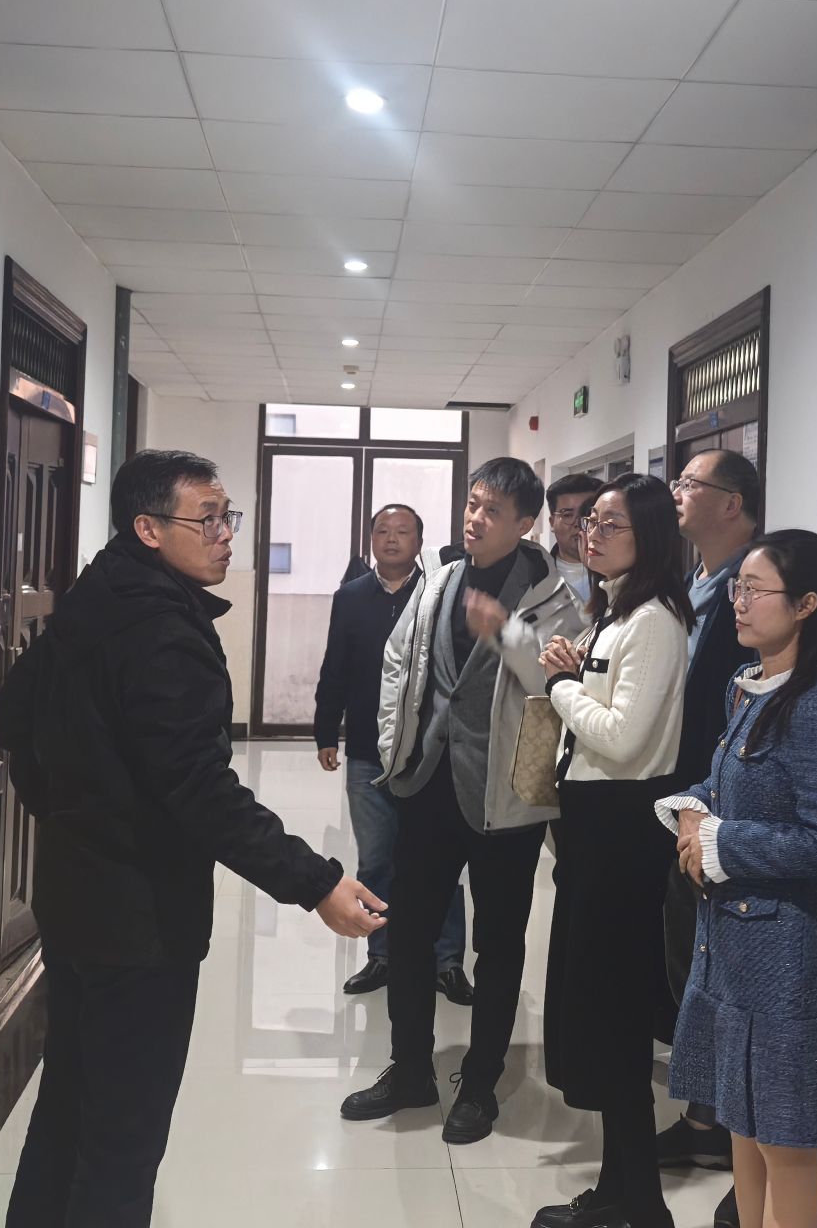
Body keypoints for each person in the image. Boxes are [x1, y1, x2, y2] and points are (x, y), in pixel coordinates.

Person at [0, 450, 384, 1227]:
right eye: (206, 519)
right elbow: (200, 791)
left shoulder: (95, 595)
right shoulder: (162, 631)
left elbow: (15, 718)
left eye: (227, 516)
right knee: (122, 1140)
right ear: (149, 528)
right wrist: (315, 883)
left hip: (72, 904)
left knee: (66, 1107)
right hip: (139, 924)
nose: (226, 533)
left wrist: (73, 819)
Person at [339, 457, 589, 1144]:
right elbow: (399, 658)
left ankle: (479, 1085)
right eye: (473, 503)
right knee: (409, 933)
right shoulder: (441, 578)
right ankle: (410, 1070)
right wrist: (395, 742)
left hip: (506, 796)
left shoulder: (554, 597)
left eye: (491, 511)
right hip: (429, 784)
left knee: (498, 945)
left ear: (525, 524)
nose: (474, 519)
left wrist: (503, 629)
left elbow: (553, 680)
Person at [658, 529, 817, 1228]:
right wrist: (694, 810)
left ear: (806, 604)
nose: (738, 603)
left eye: (754, 590)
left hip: (785, 960)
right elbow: (728, 790)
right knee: (742, 1126)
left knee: (784, 1142)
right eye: (737, 589)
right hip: (731, 946)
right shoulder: (748, 686)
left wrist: (719, 840)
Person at [511, 475, 694, 1228]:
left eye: (609, 524)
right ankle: (624, 1190)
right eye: (589, 522)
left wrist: (560, 683)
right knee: (599, 1014)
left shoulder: (653, 619)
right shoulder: (616, 610)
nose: (591, 534)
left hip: (621, 837)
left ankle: (639, 1202)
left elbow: (620, 737)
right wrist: (573, 668)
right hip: (594, 830)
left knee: (613, 1018)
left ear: (648, 536)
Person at [314, 503, 472, 1003]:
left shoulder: (438, 592)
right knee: (377, 858)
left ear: (419, 541)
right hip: (367, 750)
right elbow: (335, 665)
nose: (391, 539)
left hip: (428, 753)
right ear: (371, 539)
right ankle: (381, 954)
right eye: (382, 530)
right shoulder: (350, 596)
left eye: (402, 531)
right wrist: (325, 731)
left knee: (439, 860)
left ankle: (447, 962)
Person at [658, 448, 764, 1181]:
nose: (677, 492)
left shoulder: (755, 585)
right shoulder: (692, 581)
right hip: (681, 802)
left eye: (690, 483)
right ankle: (706, 1117)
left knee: (721, 970)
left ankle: (729, 1127)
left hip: (720, 813)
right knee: (688, 963)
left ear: (731, 503)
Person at [546, 471, 603, 604]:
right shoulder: (533, 578)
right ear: (552, 523)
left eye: (587, 514)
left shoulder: (618, 578)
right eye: (567, 515)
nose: (579, 523)